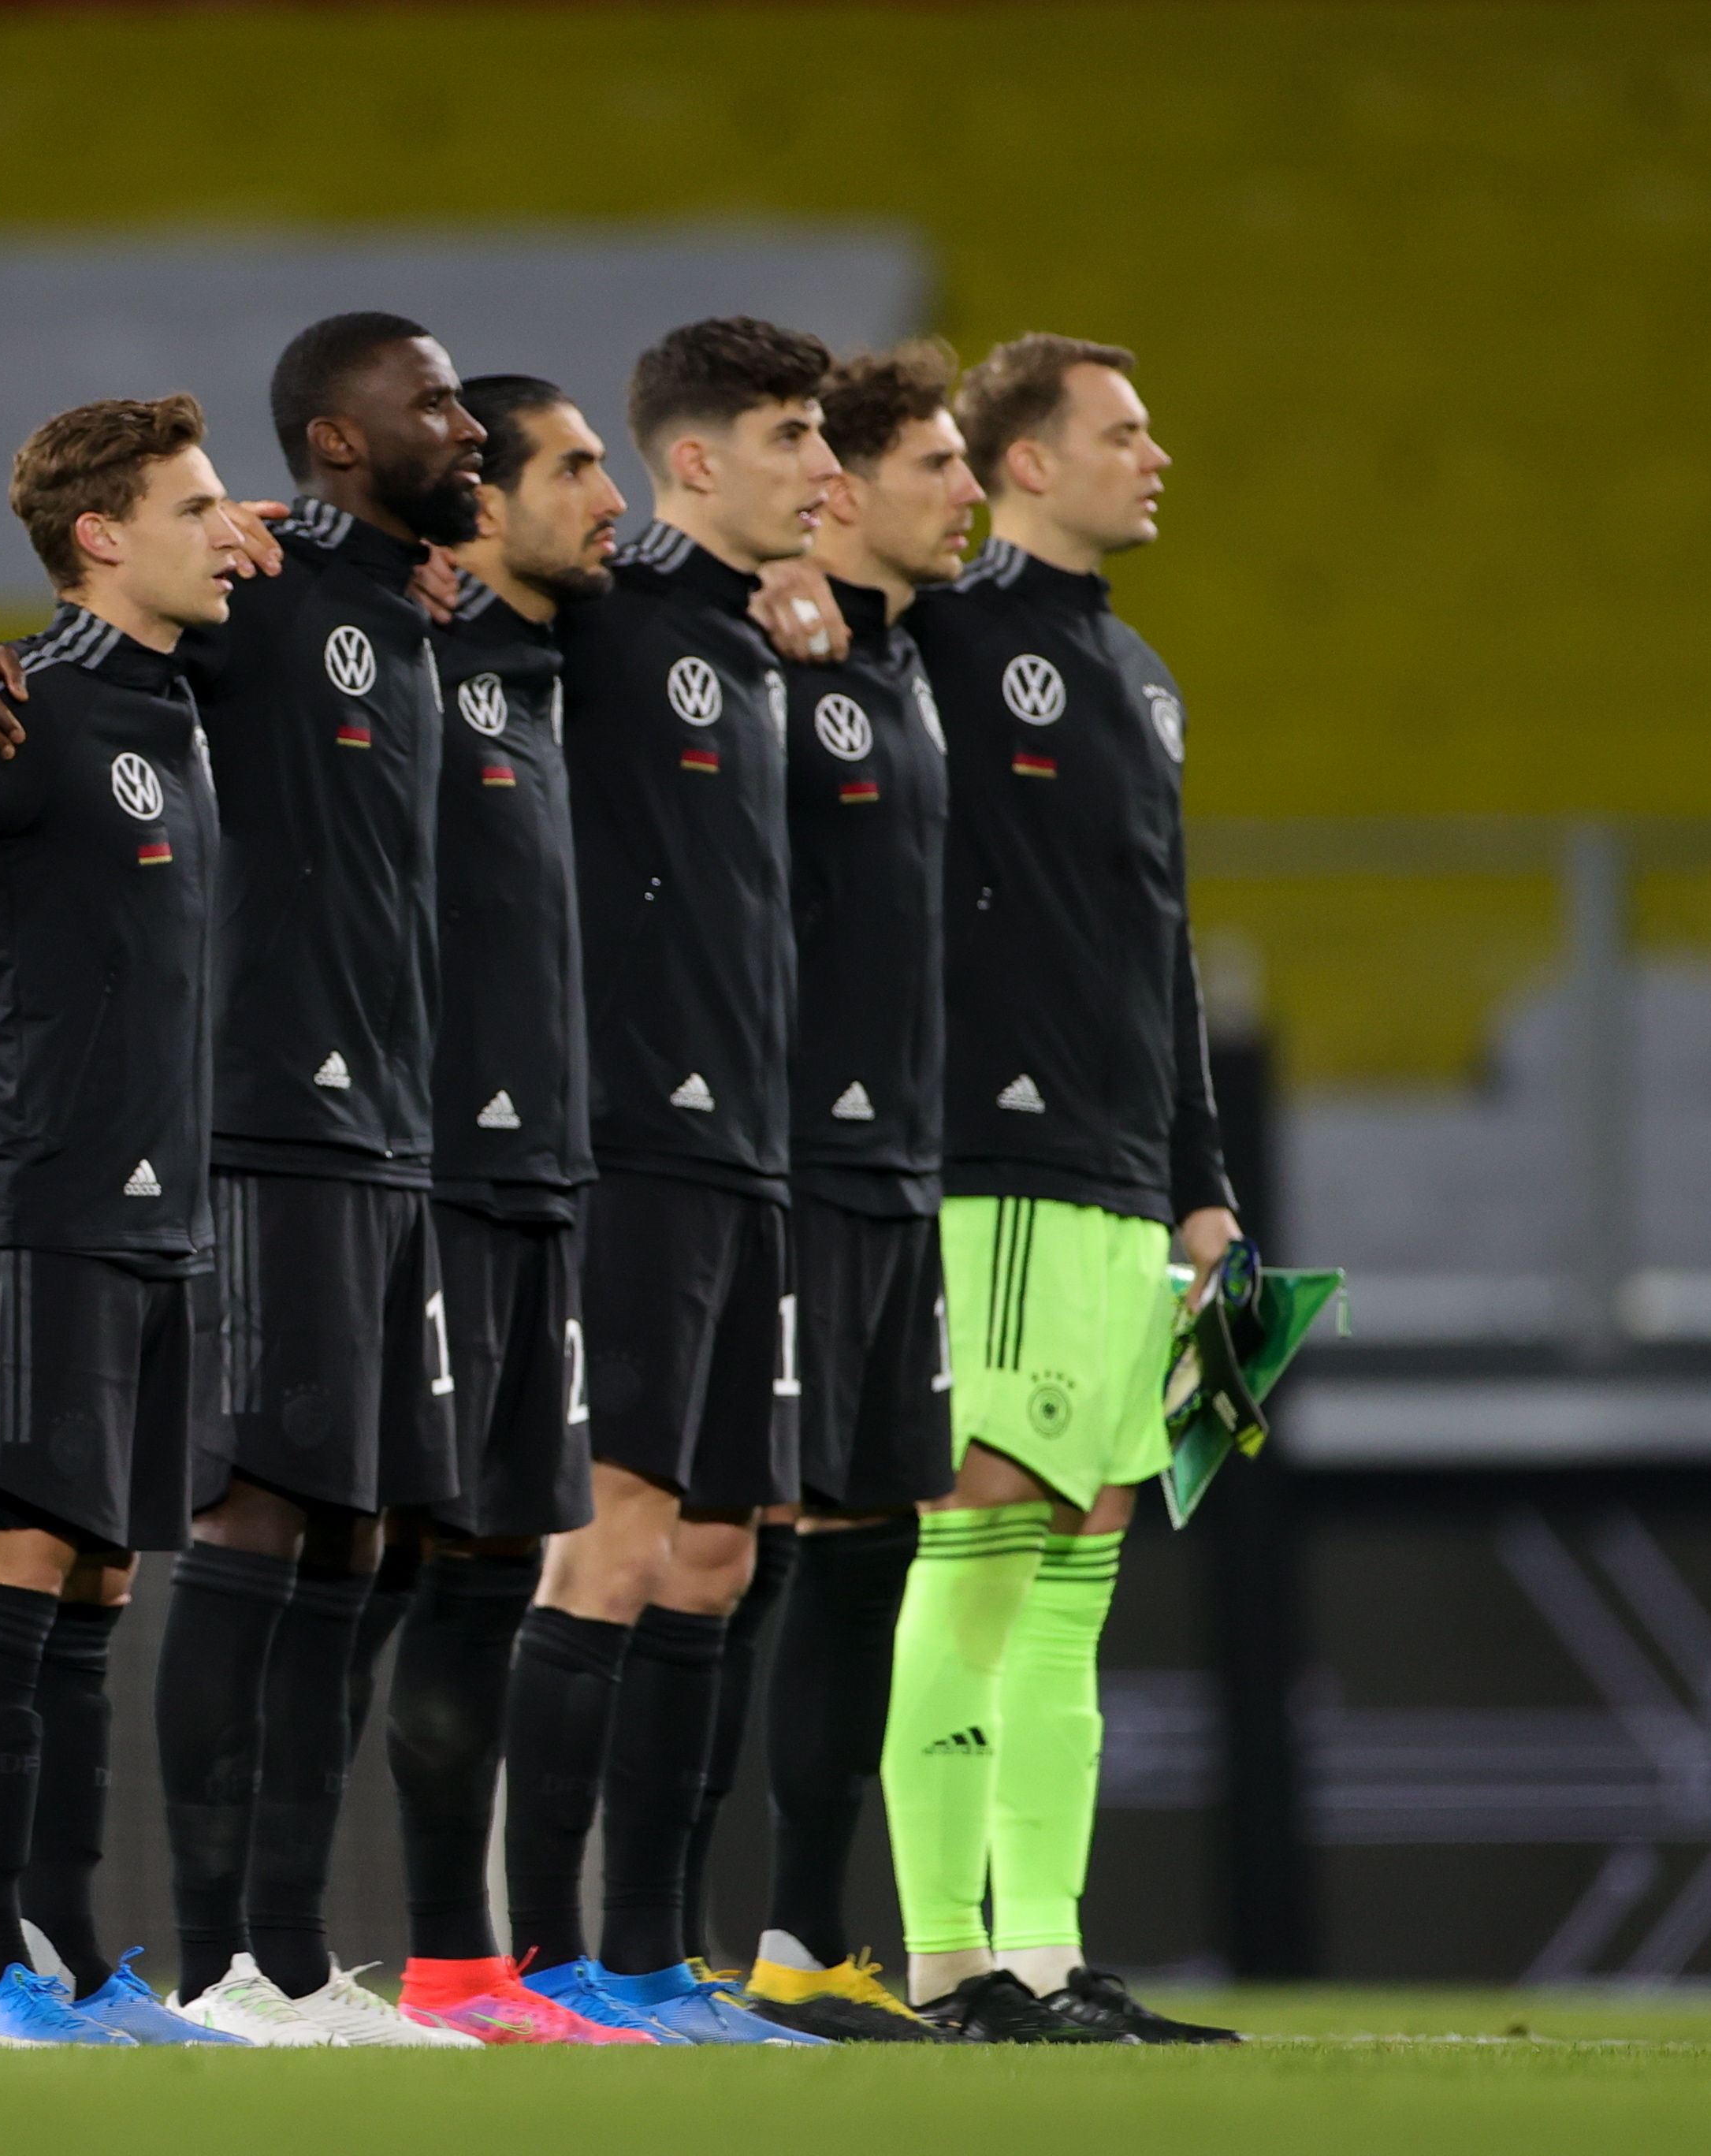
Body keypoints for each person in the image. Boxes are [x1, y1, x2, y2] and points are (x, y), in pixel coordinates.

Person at [865, 337, 1243, 2044]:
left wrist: (1201, 1183)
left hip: (1121, 1181)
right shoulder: (939, 635)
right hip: (996, 1159)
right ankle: (950, 1959)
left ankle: (1047, 1954)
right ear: (1026, 460)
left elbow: (1165, 945)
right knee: (983, 1532)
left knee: (1082, 1559)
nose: (1154, 456)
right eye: (1123, 431)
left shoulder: (1141, 674)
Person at [497, 319, 838, 2046]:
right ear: (692, 460)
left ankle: (653, 1959)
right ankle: (541, 1964)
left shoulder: (749, 639)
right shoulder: (602, 613)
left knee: (720, 1553)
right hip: (635, 1144)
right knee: (614, 1546)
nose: (826, 470)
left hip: (752, 1154)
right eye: (793, 437)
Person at [145, 312, 482, 2050]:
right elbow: (94, 647)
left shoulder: (404, 616)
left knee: (361, 1527)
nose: (467, 425)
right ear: (336, 440)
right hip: (272, 1120)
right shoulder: (257, 589)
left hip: (394, 1134)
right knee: (258, 1515)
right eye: (433, 401)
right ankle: (218, 1962)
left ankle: (288, 1957)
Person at [0, 393, 244, 2047]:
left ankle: (72, 1953)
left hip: (158, 1211)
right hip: (35, 1200)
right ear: (102, 536)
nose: (229, 535)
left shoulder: (178, 713)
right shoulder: (18, 711)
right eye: (196, 510)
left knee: (100, 1586)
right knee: (18, 1557)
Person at [367, 377, 645, 2047]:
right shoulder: (397, 648)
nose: (611, 498)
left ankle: (473, 1968)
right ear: (479, 504)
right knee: (361, 1562)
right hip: (424, 1176)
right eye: (576, 468)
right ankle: (300, 1955)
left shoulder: (570, 657)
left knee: (487, 1566)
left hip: (545, 1172)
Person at [709, 342, 978, 2045]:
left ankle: (806, 1943)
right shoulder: (754, 650)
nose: (969, 492)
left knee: (870, 1545)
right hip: (783, 1161)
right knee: (732, 1552)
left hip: (897, 1167)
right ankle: (634, 1945)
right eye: (932, 465)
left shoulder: (902, 665)